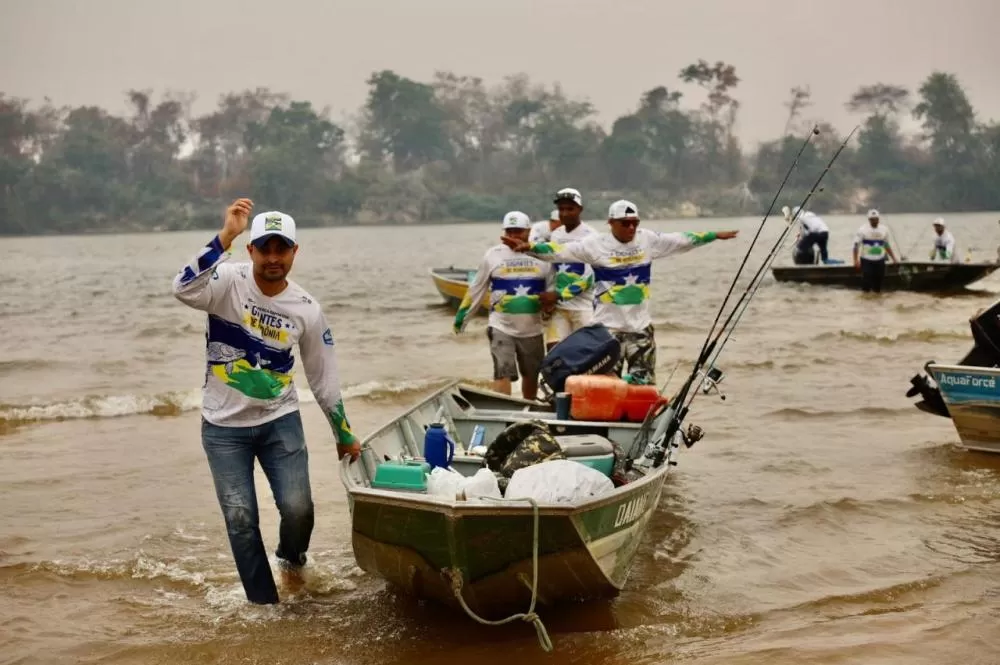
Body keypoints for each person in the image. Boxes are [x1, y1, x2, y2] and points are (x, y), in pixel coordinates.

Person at [172, 198, 359, 605]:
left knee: (298, 509)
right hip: (222, 427)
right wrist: (225, 235)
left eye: (282, 249)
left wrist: (343, 434)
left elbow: (323, 375)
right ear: (251, 249)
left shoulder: (307, 309)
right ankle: (264, 606)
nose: (273, 258)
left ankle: (291, 560)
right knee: (240, 519)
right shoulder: (226, 280)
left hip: (280, 420)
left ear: (294, 252)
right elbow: (183, 287)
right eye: (265, 248)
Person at [502, 199, 738, 384]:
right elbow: (558, 251)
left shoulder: (647, 240)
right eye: (625, 223)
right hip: (607, 332)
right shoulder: (595, 245)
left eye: (635, 222)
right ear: (611, 223)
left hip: (640, 330)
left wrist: (714, 235)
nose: (631, 227)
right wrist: (529, 247)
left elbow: (682, 240)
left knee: (643, 385)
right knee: (604, 384)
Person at [453, 211, 556, 400]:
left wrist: (549, 311)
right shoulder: (493, 255)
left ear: (528, 231)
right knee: (503, 371)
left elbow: (552, 289)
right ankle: (503, 408)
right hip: (500, 326)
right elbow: (477, 288)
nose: (513, 236)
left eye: (518, 231)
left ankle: (528, 407)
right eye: (509, 231)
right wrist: (462, 318)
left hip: (532, 329)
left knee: (531, 374)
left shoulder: (542, 255)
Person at [545, 187, 597, 350]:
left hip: (584, 308)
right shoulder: (556, 235)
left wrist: (559, 295)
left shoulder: (592, 236)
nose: (565, 213)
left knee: (586, 354)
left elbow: (591, 277)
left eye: (570, 209)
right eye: (561, 209)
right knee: (554, 352)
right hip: (560, 308)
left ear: (580, 209)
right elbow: (552, 269)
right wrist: (549, 296)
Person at [852, 208, 898, 293]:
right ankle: (865, 297)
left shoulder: (884, 229)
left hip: (880, 260)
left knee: (878, 284)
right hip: (866, 260)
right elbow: (856, 246)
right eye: (872, 219)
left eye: (876, 219)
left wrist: (894, 258)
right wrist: (855, 260)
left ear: (878, 219)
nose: (874, 221)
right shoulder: (862, 229)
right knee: (866, 282)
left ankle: (876, 298)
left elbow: (886, 245)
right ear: (869, 219)